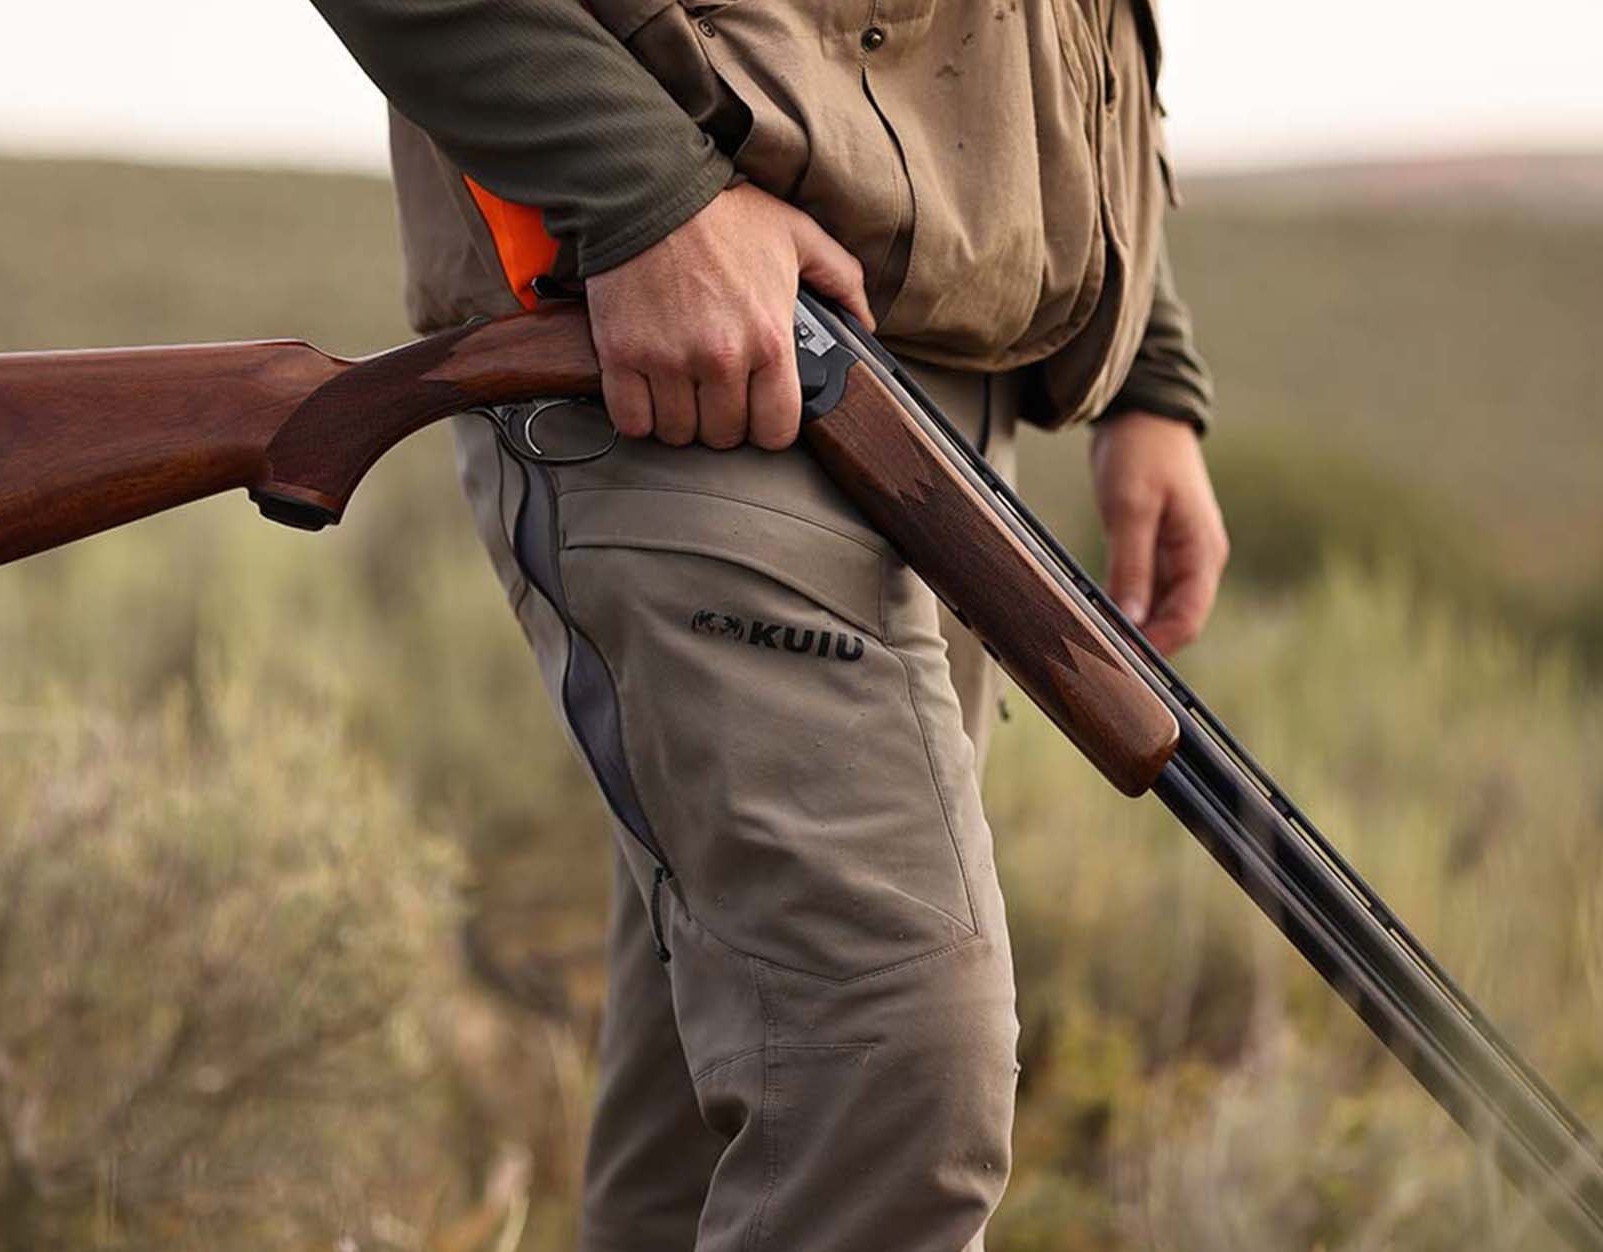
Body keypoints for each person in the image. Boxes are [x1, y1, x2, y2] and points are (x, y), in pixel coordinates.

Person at [312, 2, 1229, 1247]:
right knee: (890, 1065)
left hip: (928, 387)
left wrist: (1149, 359)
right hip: (678, 337)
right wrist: (641, 190)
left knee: (728, 1119)